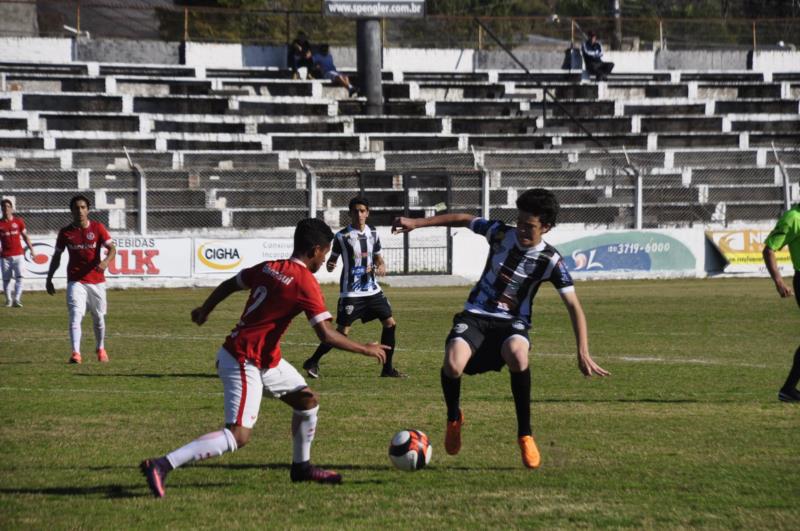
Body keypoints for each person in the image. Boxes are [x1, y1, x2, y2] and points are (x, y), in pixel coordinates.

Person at [140, 218, 388, 497]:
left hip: (266, 360)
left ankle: (302, 467)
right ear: (315, 250)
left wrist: (205, 309)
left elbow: (231, 283)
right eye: (326, 252)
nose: (326, 259)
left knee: (307, 401)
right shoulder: (305, 282)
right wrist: (365, 349)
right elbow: (326, 335)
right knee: (238, 435)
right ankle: (162, 464)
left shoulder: (270, 267)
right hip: (243, 360)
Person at [391, 188, 609, 469]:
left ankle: (525, 435)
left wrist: (583, 351)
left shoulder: (551, 261)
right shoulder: (500, 233)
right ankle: (454, 417)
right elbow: (462, 218)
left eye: (528, 226)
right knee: (453, 364)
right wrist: (415, 223)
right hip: (475, 315)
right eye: (518, 222)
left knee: (518, 354)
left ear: (546, 227)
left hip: (512, 323)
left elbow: (574, 306)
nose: (520, 230)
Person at [303, 197, 405, 379]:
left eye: (362, 210)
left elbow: (378, 258)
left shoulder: (373, 232)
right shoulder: (342, 236)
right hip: (351, 292)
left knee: (390, 323)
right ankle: (313, 361)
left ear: (368, 213)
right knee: (342, 332)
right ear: (350, 214)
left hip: (372, 290)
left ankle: (387, 368)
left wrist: (380, 266)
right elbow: (331, 261)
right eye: (355, 211)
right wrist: (330, 266)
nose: (359, 214)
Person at [46, 195, 116, 364]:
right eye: (76, 208)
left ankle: (100, 348)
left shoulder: (98, 228)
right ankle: (76, 353)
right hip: (76, 281)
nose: (80, 211)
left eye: (83, 207)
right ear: (71, 211)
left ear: (88, 210)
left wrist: (105, 262)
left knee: (98, 317)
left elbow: (112, 248)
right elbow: (56, 256)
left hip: (97, 281)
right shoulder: (65, 232)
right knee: (75, 314)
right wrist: (49, 278)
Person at [762, 203, 800, 402]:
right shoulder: (793, 218)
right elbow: (769, 250)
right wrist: (779, 282)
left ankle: (788, 389)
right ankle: (788, 389)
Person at [0, 198, 38, 307]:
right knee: (6, 279)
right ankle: (8, 300)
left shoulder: (18, 221)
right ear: (1, 209)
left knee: (19, 278)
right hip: (5, 256)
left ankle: (17, 299)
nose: (6, 209)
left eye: (8, 206)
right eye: (3, 206)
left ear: (12, 208)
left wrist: (32, 250)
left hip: (18, 255)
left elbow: (25, 237)